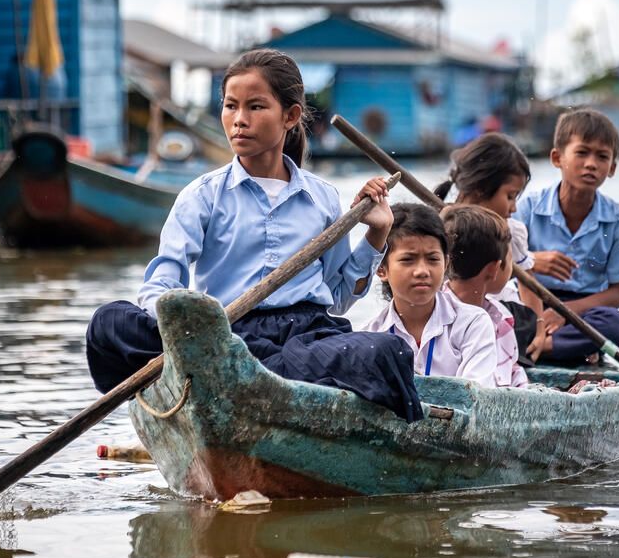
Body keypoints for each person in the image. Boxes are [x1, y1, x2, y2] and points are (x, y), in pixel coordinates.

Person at [85, 48, 421, 421]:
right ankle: (232, 372)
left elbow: (338, 299)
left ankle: (242, 380)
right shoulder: (202, 195)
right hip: (224, 337)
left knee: (389, 351)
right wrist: (182, 330)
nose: (238, 121)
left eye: (256, 107)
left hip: (304, 340)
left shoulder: (322, 198)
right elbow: (163, 279)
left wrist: (377, 233)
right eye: (231, 106)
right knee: (110, 323)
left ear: (290, 116)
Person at [518, 108, 619, 365]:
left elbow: (618, 294)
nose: (591, 164)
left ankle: (539, 346)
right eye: (582, 153)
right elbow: (504, 263)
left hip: (583, 310)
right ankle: (551, 343)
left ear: (611, 168)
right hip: (530, 300)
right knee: (498, 312)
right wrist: (531, 260)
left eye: (602, 157)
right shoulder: (529, 208)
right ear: (557, 158)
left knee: (618, 326)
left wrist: (564, 313)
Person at [432, 132, 548, 360]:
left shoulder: (509, 230)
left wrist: (540, 329)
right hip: (443, 314)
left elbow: (527, 282)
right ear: (479, 191)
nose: (514, 208)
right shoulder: (438, 225)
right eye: (510, 196)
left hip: (497, 311)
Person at [362, 204, 499, 388]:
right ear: (381, 268)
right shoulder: (370, 336)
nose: (422, 271)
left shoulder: (472, 324)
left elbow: (474, 397)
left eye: (433, 259)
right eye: (408, 260)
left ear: (446, 264)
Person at [439, 205, 529, 388]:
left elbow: (513, 375)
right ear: (494, 269)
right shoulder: (436, 316)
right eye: (510, 261)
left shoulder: (501, 319)